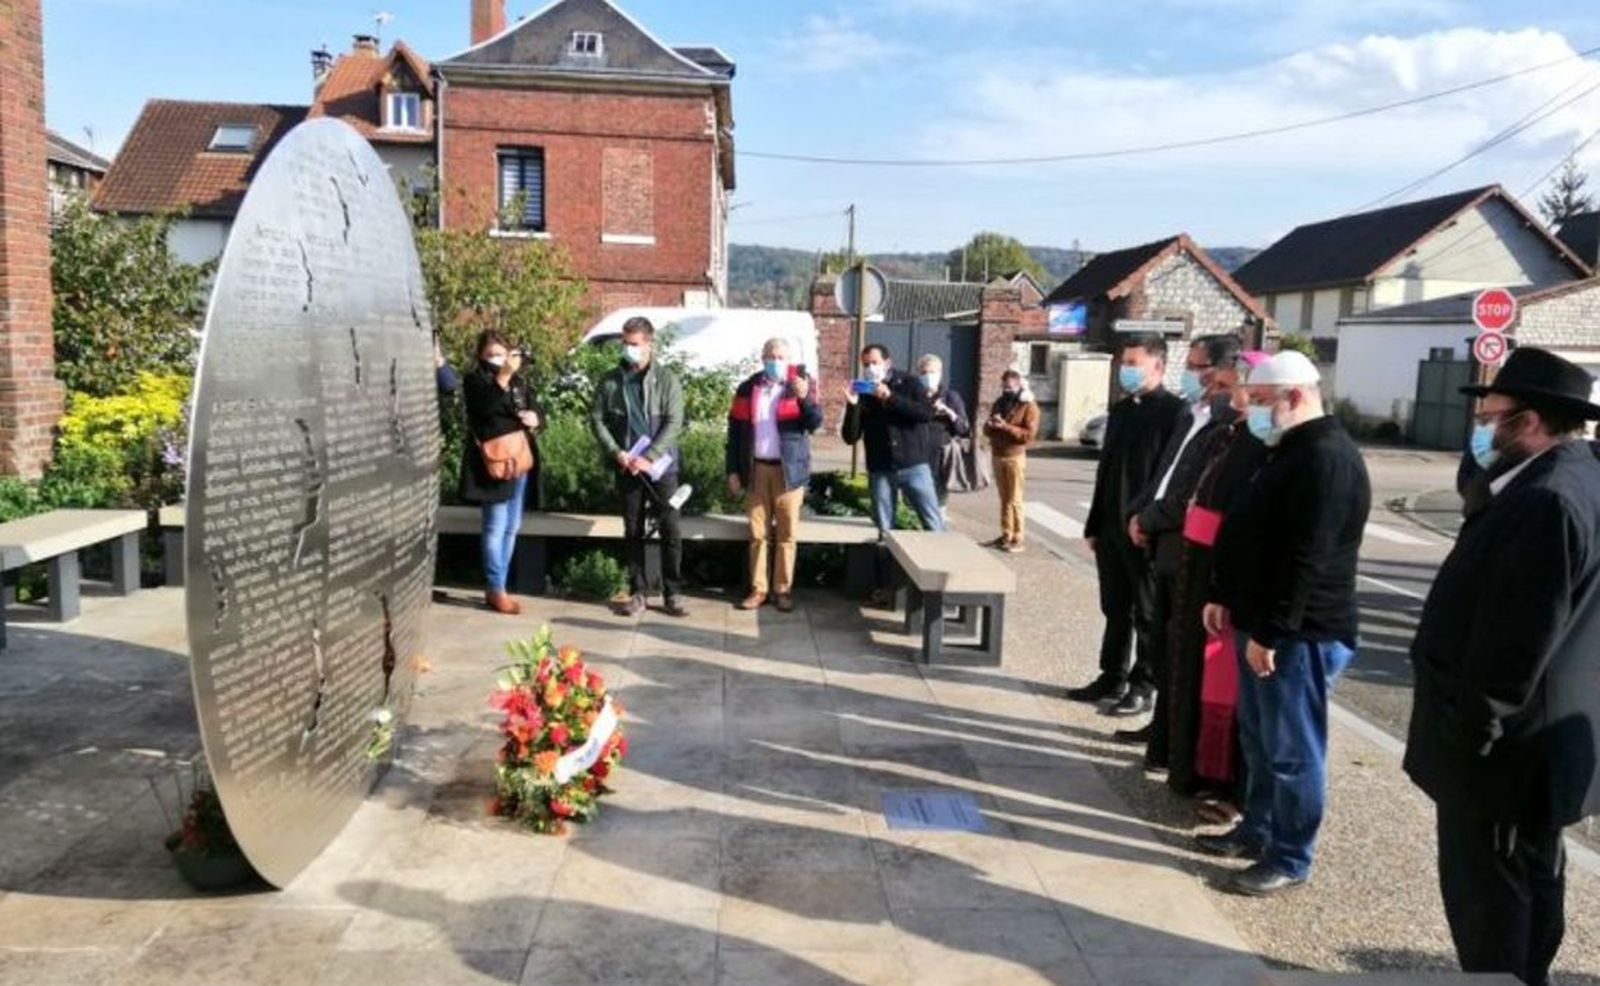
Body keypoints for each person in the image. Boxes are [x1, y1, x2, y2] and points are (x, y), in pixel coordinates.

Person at [1404, 347, 1600, 986]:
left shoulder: (1547, 499)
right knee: (1532, 885)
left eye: (1490, 417)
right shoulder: (1575, 476)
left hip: (1507, 756)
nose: (1479, 429)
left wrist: (1470, 735)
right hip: (1536, 750)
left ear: (1533, 421)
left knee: (1493, 908)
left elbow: (1514, 645)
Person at [1199, 350, 1370, 896]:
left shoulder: (1327, 458)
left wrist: (1275, 632)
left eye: (1264, 401)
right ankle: (1259, 827)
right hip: (1259, 619)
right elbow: (1251, 530)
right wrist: (1225, 593)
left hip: (1299, 633)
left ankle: (1291, 855)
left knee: (1293, 750)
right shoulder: (1288, 448)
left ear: (1295, 397)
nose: (1253, 410)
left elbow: (1308, 557)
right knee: (1260, 737)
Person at [1120, 335, 1243, 766]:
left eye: (1199, 366)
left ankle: (1175, 744)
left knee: (1177, 650)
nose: (1193, 374)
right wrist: (1138, 513)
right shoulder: (1193, 415)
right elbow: (1164, 475)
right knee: (1162, 644)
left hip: (1184, 548)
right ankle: (1163, 735)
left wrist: (1150, 520)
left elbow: (1190, 492)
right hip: (1162, 541)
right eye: (1189, 364)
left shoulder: (1224, 427)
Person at [1169, 352, 1268, 809]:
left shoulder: (1264, 447)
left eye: (1231, 387)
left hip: (1223, 576)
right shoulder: (1229, 437)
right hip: (1199, 571)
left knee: (1226, 687)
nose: (1222, 394)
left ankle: (1229, 787)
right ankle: (1194, 770)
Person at [1068, 333, 1185, 714]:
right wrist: (1094, 524)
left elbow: (1167, 476)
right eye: (1124, 363)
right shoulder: (1120, 411)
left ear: (1158, 366)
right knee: (1114, 607)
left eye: (1135, 363)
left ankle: (1144, 682)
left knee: (1147, 612)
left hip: (1144, 530)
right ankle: (1112, 674)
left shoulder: (1174, 413)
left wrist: (1149, 522)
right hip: (1110, 527)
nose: (1126, 370)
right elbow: (1107, 473)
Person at [590, 316, 687, 618]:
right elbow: (597, 419)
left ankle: (672, 593)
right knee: (633, 530)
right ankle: (638, 592)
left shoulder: (667, 379)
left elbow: (674, 422)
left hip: (662, 469)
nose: (628, 349)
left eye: (634, 344)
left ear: (649, 344)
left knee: (670, 528)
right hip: (627, 467)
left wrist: (651, 455)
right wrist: (617, 452)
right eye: (625, 344)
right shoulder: (610, 380)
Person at [726, 338, 823, 613]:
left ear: (788, 359)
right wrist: (732, 470)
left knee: (787, 534)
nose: (775, 361)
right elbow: (734, 433)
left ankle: (783, 590)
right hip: (756, 469)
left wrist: (803, 398)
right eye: (771, 356)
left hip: (789, 471)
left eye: (781, 357)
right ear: (762, 358)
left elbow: (815, 423)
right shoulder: (748, 388)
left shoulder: (800, 385)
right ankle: (759, 589)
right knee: (757, 534)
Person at [459, 330, 544, 615]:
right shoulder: (477, 380)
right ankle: (497, 588)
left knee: (511, 526)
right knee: (495, 526)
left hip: (519, 459)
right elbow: (485, 409)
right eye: (491, 354)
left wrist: (536, 419)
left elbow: (536, 410)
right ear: (481, 357)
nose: (497, 359)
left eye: (502, 353)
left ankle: (499, 585)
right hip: (492, 464)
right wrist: (503, 376)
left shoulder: (519, 382)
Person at [841, 344, 945, 535]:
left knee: (933, 522)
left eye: (875, 362)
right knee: (884, 527)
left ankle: (940, 560)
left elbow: (925, 413)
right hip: (881, 468)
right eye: (866, 364)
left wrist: (890, 397)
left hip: (913, 464)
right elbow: (851, 436)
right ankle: (886, 560)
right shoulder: (864, 392)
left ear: (887, 363)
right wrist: (853, 406)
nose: (871, 368)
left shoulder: (909, 382)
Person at [982, 367, 1040, 553]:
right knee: (1004, 498)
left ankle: (1018, 537)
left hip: (1015, 456)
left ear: (1019, 385)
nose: (1006, 390)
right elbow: (986, 430)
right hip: (998, 454)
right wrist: (990, 425)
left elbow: (1028, 436)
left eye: (1009, 387)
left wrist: (1006, 426)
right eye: (1004, 386)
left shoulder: (1029, 406)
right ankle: (1006, 534)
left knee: (1015, 499)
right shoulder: (1000, 402)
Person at [917, 354, 970, 513]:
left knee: (938, 505)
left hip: (941, 457)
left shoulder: (950, 397)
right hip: (917, 456)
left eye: (932, 372)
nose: (928, 377)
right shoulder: (914, 395)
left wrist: (949, 412)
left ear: (940, 374)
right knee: (915, 501)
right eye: (924, 373)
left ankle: (937, 533)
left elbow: (963, 428)